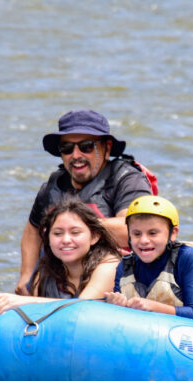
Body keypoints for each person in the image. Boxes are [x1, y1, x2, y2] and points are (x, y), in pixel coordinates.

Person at [16, 109, 154, 294]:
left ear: (106, 149)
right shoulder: (52, 186)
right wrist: (26, 276)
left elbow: (131, 230)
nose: (76, 155)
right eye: (67, 148)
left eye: (86, 146)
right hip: (60, 275)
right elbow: (33, 229)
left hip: (113, 281)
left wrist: (75, 227)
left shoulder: (127, 179)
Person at [0, 196, 120, 316]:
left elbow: (84, 307)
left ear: (94, 236)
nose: (66, 240)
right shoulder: (45, 271)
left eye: (75, 233)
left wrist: (25, 302)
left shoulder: (110, 265)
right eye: (57, 233)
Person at [103, 195, 193, 322]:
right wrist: (116, 306)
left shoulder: (186, 257)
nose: (144, 240)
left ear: (173, 233)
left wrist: (153, 307)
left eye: (152, 233)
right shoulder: (124, 266)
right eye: (136, 234)